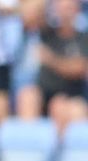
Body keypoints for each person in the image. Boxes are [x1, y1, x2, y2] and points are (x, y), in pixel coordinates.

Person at [18, 0, 88, 130]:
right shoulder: (47, 32)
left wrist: (51, 60)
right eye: (61, 8)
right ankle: (28, 144)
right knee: (27, 95)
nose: (65, 13)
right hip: (43, 93)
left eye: (69, 8)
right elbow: (29, 16)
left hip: (71, 95)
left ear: (77, 11)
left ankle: (59, 148)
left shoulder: (83, 38)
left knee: (60, 105)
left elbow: (79, 68)